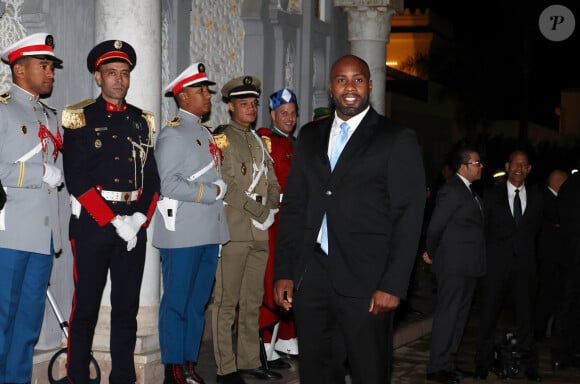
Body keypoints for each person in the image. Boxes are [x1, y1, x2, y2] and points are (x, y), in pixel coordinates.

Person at [273, 54, 426, 384]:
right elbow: (295, 206)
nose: (350, 87)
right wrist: (285, 271)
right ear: (331, 88)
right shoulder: (311, 135)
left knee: (369, 371)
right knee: (315, 370)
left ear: (369, 86)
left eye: (358, 79)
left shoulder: (395, 138)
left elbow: (408, 217)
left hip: (368, 281)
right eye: (341, 80)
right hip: (311, 276)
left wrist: (392, 284)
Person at [62, 40, 160, 384]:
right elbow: (75, 177)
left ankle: (123, 377)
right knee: (85, 308)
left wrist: (137, 219)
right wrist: (110, 219)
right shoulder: (80, 118)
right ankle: (76, 375)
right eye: (111, 73)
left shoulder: (140, 121)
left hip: (132, 228)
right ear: (98, 76)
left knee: (126, 309)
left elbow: (152, 180)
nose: (119, 80)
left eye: (124, 73)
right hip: (93, 226)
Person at [153, 62, 230, 384]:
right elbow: (168, 184)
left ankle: (188, 362)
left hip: (208, 231)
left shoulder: (202, 132)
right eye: (200, 90)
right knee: (177, 302)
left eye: (206, 90)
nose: (207, 96)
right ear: (183, 96)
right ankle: (173, 368)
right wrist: (211, 192)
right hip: (182, 233)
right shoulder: (173, 134)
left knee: (198, 303)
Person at [0, 32, 64, 384]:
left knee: (27, 326)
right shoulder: (3, 111)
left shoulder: (49, 116)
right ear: (20, 69)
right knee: (2, 324)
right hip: (9, 236)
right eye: (44, 65)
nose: (51, 72)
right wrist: (38, 172)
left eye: (51, 65)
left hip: (42, 236)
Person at [211, 76, 281, 384]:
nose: (251, 108)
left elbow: (273, 180)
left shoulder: (259, 141)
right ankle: (225, 367)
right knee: (226, 302)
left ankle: (249, 360)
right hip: (236, 228)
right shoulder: (223, 138)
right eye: (244, 104)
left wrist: (274, 207)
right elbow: (227, 185)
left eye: (253, 103)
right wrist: (261, 211)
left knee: (252, 300)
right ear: (230, 106)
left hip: (260, 230)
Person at [473, 149, 543, 381]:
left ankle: (529, 366)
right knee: (488, 318)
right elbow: (482, 230)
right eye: (515, 164)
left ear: (529, 169)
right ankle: (481, 365)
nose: (519, 168)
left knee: (526, 320)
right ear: (507, 165)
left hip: (525, 269)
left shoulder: (537, 197)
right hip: (496, 268)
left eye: (524, 165)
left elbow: (542, 233)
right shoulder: (492, 195)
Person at [422, 146, 486, 384]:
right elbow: (436, 227)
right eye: (476, 163)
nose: (481, 167)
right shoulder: (452, 190)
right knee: (448, 315)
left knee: (460, 317)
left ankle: (448, 363)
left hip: (468, 266)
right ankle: (436, 367)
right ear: (463, 167)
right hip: (453, 266)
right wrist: (433, 252)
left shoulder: (469, 191)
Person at [257, 88, 299, 368]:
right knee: (270, 278)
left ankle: (286, 335)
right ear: (273, 114)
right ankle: (263, 343)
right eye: (284, 113)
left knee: (292, 276)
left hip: (294, 218)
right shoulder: (265, 141)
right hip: (273, 218)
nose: (289, 118)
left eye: (293, 113)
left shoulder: (296, 144)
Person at [550, 166, 580, 370]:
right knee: (568, 306)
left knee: (571, 306)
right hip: (573, 257)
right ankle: (562, 353)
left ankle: (569, 352)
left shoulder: (570, 185)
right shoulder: (574, 186)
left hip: (570, 256)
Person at [534, 168, 568, 339]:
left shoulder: (551, 199)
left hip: (552, 256)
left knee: (550, 293)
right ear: (558, 182)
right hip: (548, 256)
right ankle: (539, 330)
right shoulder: (546, 199)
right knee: (546, 294)